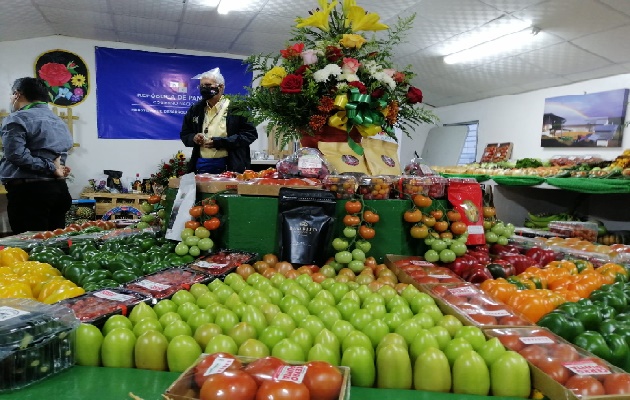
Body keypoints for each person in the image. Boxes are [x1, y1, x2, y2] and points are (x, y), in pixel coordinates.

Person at [0, 77, 73, 234]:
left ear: (17, 94)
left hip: (30, 194)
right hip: (59, 190)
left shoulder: (16, 118)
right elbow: (61, 155)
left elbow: (16, 155)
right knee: (56, 246)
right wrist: (56, 169)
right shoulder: (58, 121)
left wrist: (50, 167)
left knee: (30, 249)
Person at [180, 67, 258, 174]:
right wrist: (193, 138)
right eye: (201, 86)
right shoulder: (196, 109)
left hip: (230, 165)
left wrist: (220, 142)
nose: (203, 89)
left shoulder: (237, 107)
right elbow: (185, 134)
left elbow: (250, 134)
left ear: (221, 87)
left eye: (208, 85)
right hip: (202, 164)